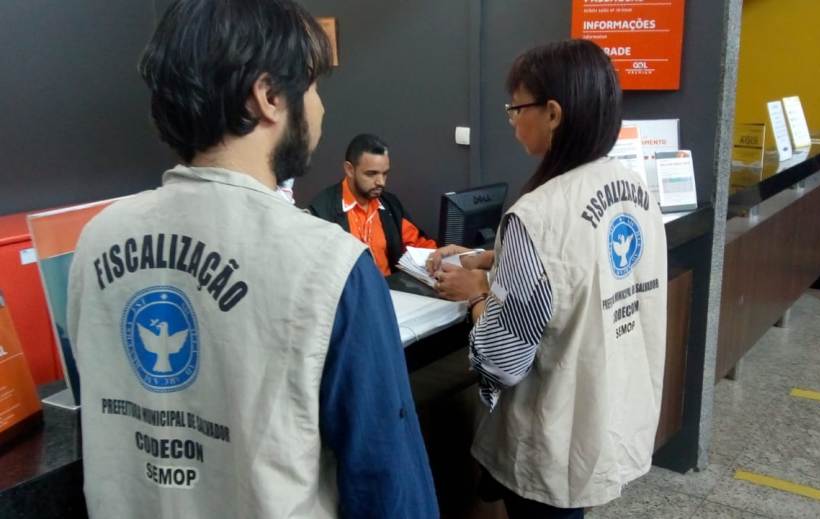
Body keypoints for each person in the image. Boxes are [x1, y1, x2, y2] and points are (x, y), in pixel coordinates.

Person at [66, 1, 438, 518]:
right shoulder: (330, 264)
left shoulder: (95, 242)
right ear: (268, 97)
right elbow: (387, 486)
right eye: (312, 88)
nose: (320, 109)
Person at [429, 39, 668, 518]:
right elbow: (585, 258)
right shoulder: (635, 188)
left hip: (552, 440)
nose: (513, 120)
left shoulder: (536, 214)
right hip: (608, 413)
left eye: (517, 108)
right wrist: (494, 258)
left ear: (553, 113)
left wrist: (478, 293)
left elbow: (501, 359)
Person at [308, 134, 437, 276]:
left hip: (393, 291)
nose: (381, 182)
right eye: (371, 174)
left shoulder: (390, 206)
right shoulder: (321, 212)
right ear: (349, 169)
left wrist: (439, 258)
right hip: (349, 294)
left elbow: (419, 246)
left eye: (385, 174)